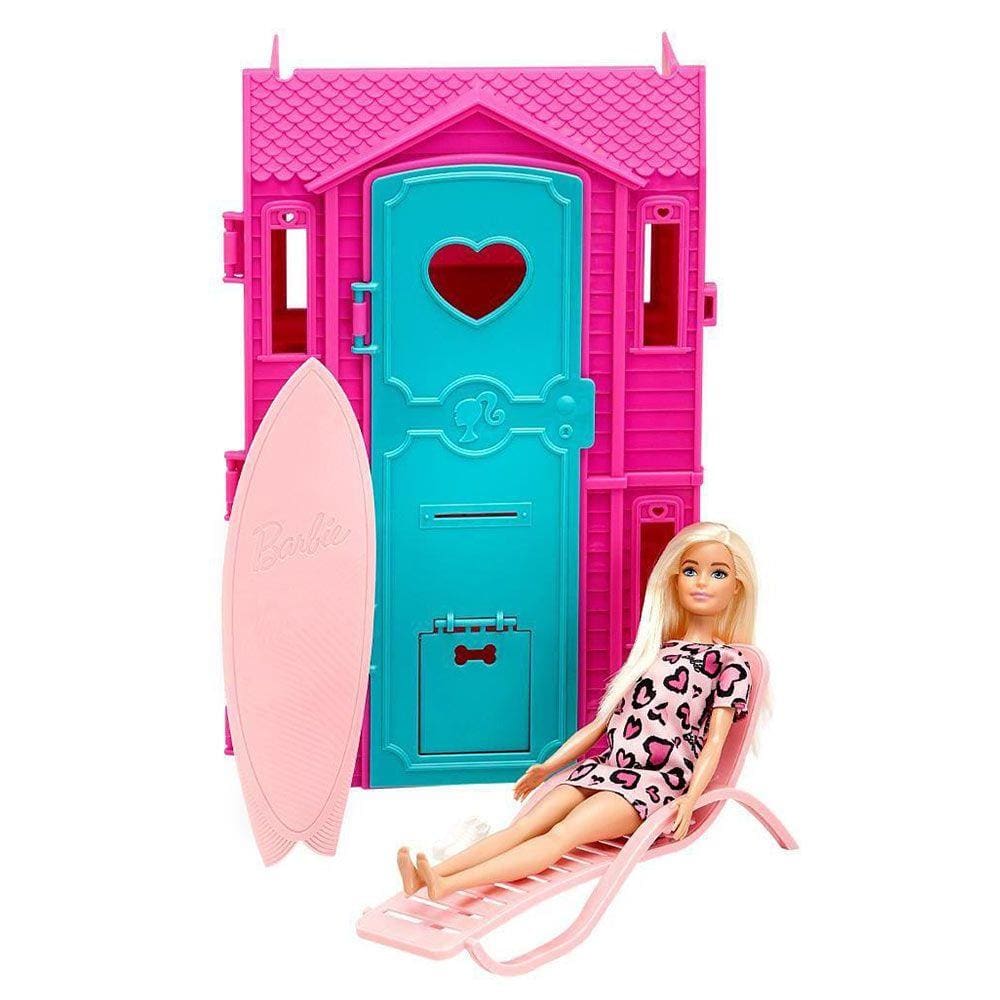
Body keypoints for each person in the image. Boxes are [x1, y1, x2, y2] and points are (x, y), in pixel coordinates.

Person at [397, 521, 757, 901]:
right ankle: (429, 875)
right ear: (674, 580)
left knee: (561, 836)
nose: (702, 582)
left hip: (653, 784)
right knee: (521, 828)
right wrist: (548, 767)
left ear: (737, 587)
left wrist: (690, 798)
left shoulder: (729, 663)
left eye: (718, 573)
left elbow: (715, 741)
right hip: (604, 768)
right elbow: (602, 723)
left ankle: (447, 885)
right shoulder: (657, 652)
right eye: (691, 571)